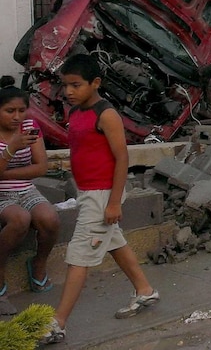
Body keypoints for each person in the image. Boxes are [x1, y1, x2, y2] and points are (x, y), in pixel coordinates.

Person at [43, 54, 160, 345]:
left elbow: (122, 158)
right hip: (87, 193)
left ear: (96, 83)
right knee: (114, 242)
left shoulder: (105, 114)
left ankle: (58, 323)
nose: (69, 92)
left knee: (78, 256)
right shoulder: (76, 112)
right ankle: (144, 290)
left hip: (102, 194)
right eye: (65, 85)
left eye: (76, 85)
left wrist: (114, 202)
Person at [0, 77, 60, 315]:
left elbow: (41, 167)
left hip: (26, 189)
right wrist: (12, 147)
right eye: (9, 111)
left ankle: (38, 264)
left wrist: (4, 172)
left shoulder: (30, 127)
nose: (17, 116)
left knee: (50, 218)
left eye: (21, 110)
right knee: (20, 220)